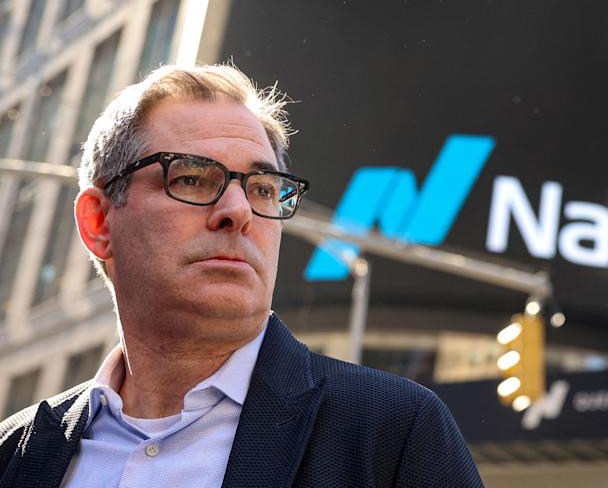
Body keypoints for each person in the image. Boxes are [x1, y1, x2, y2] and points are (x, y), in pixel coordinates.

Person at [0, 64, 484, 488]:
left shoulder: (393, 433)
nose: (238, 210)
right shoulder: (14, 455)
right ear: (100, 223)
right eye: (190, 177)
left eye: (263, 188)